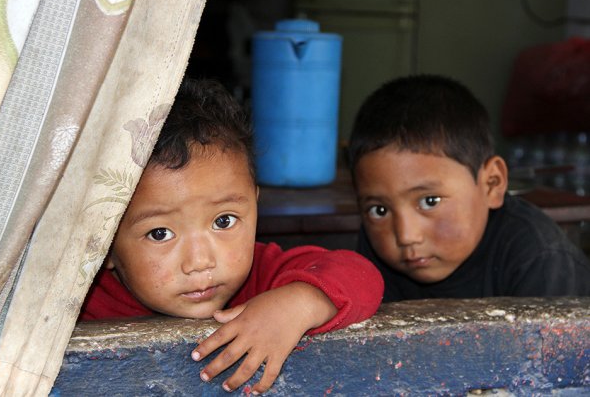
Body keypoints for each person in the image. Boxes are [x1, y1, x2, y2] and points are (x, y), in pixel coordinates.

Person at [80, 78, 384, 394]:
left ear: (254, 203)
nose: (200, 262)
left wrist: (300, 303)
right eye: (160, 233)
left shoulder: (264, 277)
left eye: (224, 221)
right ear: (105, 240)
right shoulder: (78, 304)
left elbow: (362, 276)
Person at [348, 74, 590, 302]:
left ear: (491, 185)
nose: (406, 236)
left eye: (429, 201)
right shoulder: (375, 250)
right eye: (379, 210)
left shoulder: (540, 259)